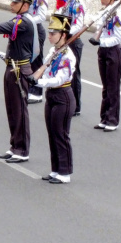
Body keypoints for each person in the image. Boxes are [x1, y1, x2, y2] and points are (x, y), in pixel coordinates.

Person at [28, 14, 77, 184]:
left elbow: (60, 79)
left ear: (63, 35)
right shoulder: (53, 51)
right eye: (49, 32)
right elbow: (46, 69)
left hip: (63, 95)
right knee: (52, 133)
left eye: (53, 33)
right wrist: (36, 76)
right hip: (52, 95)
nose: (49, 36)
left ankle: (65, 172)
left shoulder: (68, 56)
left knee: (61, 134)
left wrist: (39, 82)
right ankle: (55, 169)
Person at [90, 0, 121, 131]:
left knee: (113, 87)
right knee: (105, 86)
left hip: (113, 51)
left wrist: (101, 43)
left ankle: (112, 120)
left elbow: (117, 37)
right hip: (103, 51)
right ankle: (104, 117)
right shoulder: (104, 12)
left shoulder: (117, 15)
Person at [55, 0, 86, 115]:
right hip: (62, 41)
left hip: (73, 41)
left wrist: (64, 32)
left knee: (73, 74)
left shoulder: (77, 4)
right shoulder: (62, 0)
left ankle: (76, 106)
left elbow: (78, 26)